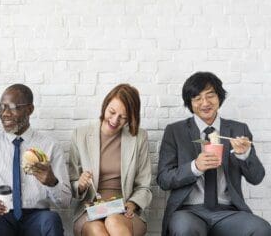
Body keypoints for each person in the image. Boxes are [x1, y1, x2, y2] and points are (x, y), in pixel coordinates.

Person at [157, 71, 271, 236]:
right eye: (197, 98)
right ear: (190, 103)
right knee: (184, 229)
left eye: (210, 95)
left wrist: (244, 155)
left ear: (219, 97)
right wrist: (195, 167)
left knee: (262, 229)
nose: (205, 103)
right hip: (188, 211)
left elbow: (257, 177)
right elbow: (164, 179)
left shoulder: (238, 130)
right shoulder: (175, 131)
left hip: (228, 212)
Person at [0, 84, 71, 236]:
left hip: (37, 216)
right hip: (1, 215)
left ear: (30, 109)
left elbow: (65, 202)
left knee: (51, 220)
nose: (5, 113)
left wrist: (52, 182)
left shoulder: (51, 146)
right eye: (2, 107)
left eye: (12, 107)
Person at [69, 84, 151, 236]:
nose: (114, 120)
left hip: (125, 209)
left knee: (113, 221)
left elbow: (144, 186)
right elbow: (71, 184)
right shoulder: (80, 135)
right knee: (97, 230)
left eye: (123, 117)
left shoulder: (139, 137)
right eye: (112, 112)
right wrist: (80, 184)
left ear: (131, 118)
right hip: (90, 210)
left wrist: (132, 204)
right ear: (105, 105)